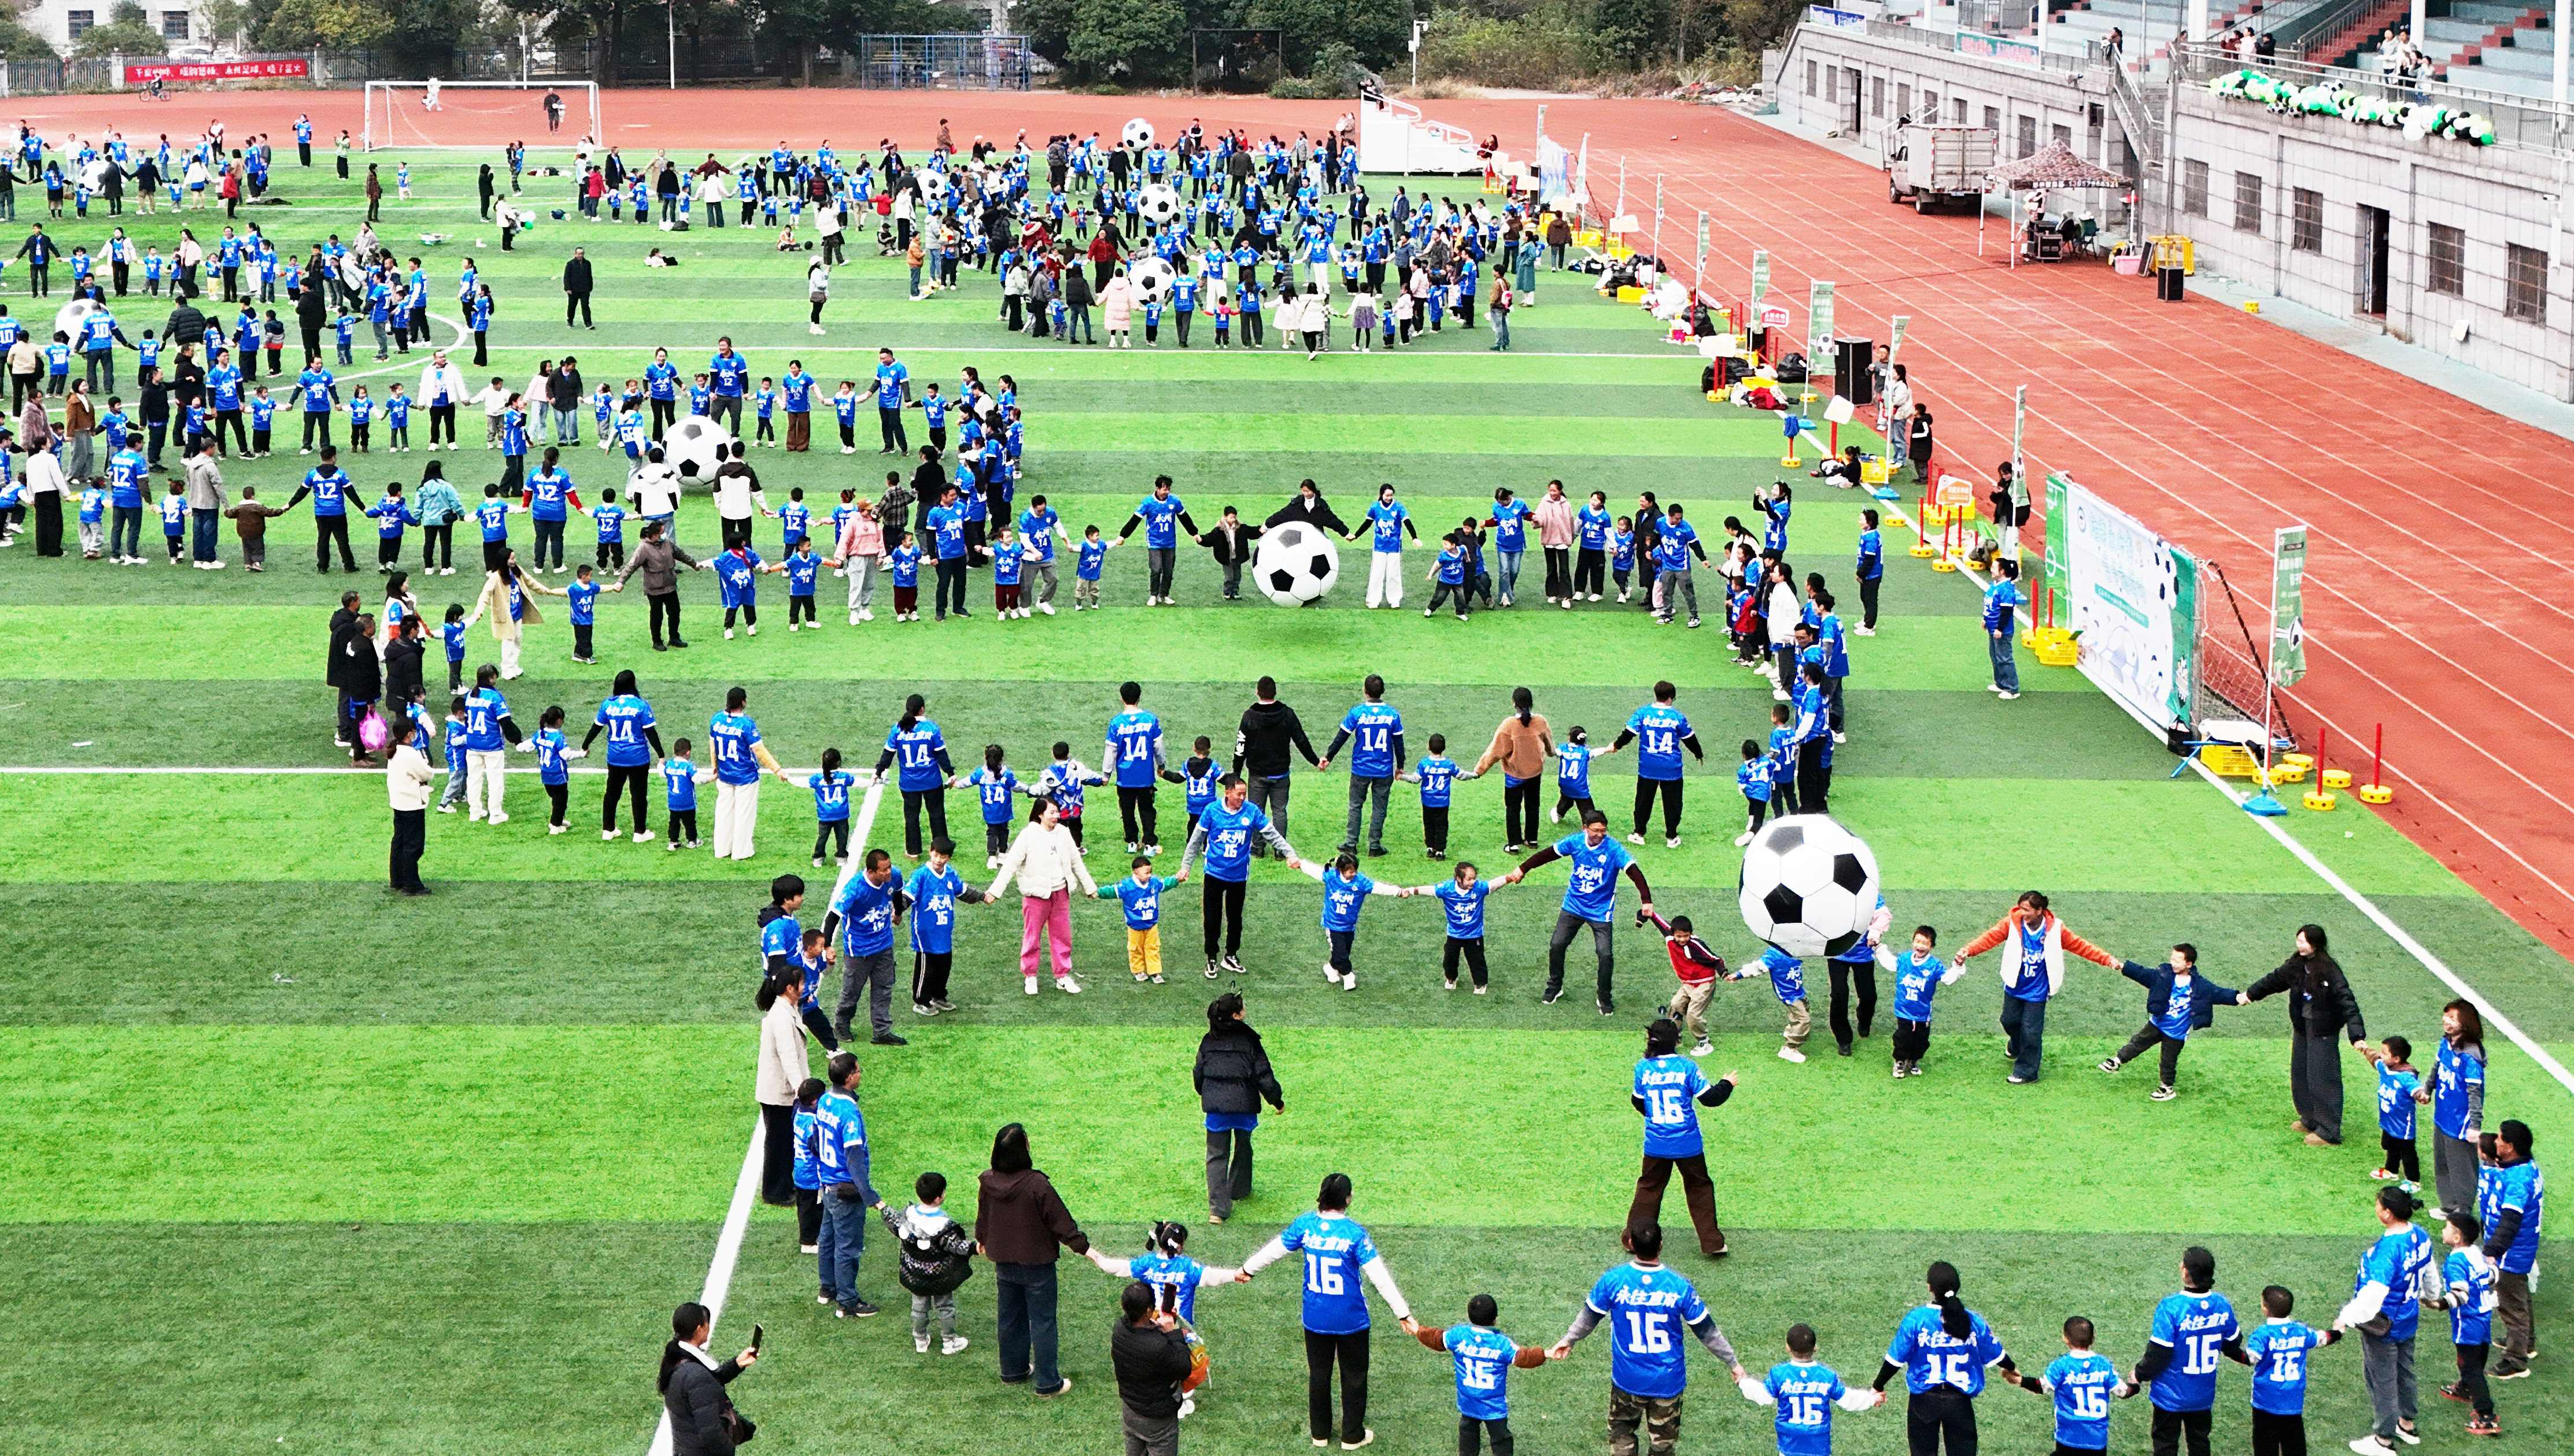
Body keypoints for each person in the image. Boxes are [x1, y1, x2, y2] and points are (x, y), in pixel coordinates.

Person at [1241, 1173, 1415, 1450]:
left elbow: (1273, 1251)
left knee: (1319, 1375)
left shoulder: (1306, 1226)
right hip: (1351, 1319)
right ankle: (1351, 1436)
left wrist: (1247, 1269)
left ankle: (1319, 1433)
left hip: (1316, 1318)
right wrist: (1403, 1313)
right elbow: (1379, 1277)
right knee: (1354, 1376)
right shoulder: (1355, 1234)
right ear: (1347, 1199)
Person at [1552, 1220, 1749, 1456]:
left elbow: (1588, 1319)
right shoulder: (1679, 1286)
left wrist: (1568, 1340)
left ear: (1631, 1243)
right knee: (1663, 1447)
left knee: (1622, 1435)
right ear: (1662, 1245)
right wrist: (1733, 1363)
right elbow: (1708, 1333)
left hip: (1628, 1380)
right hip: (1668, 1382)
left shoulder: (1613, 1280)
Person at [1949, 890, 2118, 1085]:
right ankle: (2016, 1044)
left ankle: (2027, 1071)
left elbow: (2082, 946)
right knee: (2009, 1021)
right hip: (2014, 985)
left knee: (2031, 1031)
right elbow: (1991, 937)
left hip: (2038, 991)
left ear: (2040, 911)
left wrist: (2108, 959)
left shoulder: (2056, 930)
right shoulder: (2012, 923)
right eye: (2021, 908)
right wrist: (1968, 950)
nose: (2023, 913)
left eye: (2027, 910)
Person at [977, 1123, 1090, 1398]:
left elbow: (984, 1217)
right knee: (1042, 1322)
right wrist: (1083, 1247)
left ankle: (1013, 1370)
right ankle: (1048, 1381)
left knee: (1010, 1318)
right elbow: (1060, 1222)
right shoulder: (1037, 1185)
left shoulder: (989, 1181)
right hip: (1037, 1264)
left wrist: (982, 1239)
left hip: (1004, 1262)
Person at [1507, 811, 1653, 1014]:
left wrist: (1646, 900)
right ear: (1585, 828)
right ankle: (1555, 986)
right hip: (1573, 906)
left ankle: (1604, 996)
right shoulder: (1575, 842)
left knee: (1605, 954)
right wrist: (1523, 868)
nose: (1600, 835)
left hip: (1600, 911)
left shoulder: (1613, 849)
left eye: (1603, 831)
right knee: (1557, 945)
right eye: (1595, 830)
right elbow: (1548, 854)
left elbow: (1634, 871)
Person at [1871, 1261, 2017, 1456]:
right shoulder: (1972, 1320)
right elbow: (1999, 1356)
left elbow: (1894, 1361)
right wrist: (2011, 1368)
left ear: (1930, 1288)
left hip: (1923, 1403)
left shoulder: (1917, 1319)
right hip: (1959, 1403)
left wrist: (1878, 1386)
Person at [2244, 924, 2369, 1145]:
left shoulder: (2330, 970)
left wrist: (2356, 1034)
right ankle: (2310, 1118)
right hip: (2302, 1027)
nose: (2299, 945)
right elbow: (2274, 980)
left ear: (2315, 944)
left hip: (2323, 1031)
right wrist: (2250, 994)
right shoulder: (2296, 964)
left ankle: (2329, 1130)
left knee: (2323, 1078)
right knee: (2300, 1073)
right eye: (2298, 941)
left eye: (2303, 942)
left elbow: (2347, 1002)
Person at [2335, 1187, 2434, 1455]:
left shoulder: (2388, 1250)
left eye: (2378, 1205)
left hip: (2384, 1324)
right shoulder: (2420, 1235)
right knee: (2406, 1371)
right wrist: (2432, 1297)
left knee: (2383, 1380)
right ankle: (2407, 1424)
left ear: (2388, 1214)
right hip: (2409, 1318)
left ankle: (2384, 1440)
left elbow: (2373, 1294)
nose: (2376, 1208)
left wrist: (2345, 1318)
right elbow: (2430, 1272)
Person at [1628, 1018, 1735, 1258]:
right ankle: (1712, 1243)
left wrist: (1655, 1117)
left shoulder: (1642, 1068)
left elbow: (1638, 1101)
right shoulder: (1687, 1067)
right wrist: (1727, 1084)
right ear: (1677, 1041)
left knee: (1649, 1187)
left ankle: (1633, 1239)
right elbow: (1710, 1098)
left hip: (1656, 1143)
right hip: (1688, 1144)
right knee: (1699, 1188)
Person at [1178, 774, 1304, 978]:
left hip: (1238, 875)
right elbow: (1196, 840)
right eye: (1239, 794)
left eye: (1244, 794)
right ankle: (1212, 957)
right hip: (1214, 873)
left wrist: (1290, 853)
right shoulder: (1212, 811)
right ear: (1227, 793)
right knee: (1212, 918)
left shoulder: (1252, 811)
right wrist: (1186, 866)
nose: (1242, 798)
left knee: (1235, 918)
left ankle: (1231, 955)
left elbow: (1271, 834)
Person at [2129, 1247, 2241, 1456]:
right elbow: (2233, 1342)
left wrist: (2138, 1374)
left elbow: (2159, 1353)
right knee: (2200, 1443)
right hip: (2202, 1395)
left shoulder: (2171, 1307)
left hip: (2169, 1396)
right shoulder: (2222, 1304)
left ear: (2186, 1272)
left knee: (2165, 1444)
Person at [2097, 947, 2247, 1102]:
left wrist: (2238, 998)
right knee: (2138, 1042)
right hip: (2157, 1024)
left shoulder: (2202, 987)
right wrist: (2123, 967)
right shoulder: (2163, 975)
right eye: (2172, 959)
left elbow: (2219, 993)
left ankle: (2167, 1088)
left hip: (2176, 1034)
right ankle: (2117, 1061)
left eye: (2177, 960)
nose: (2173, 963)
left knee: (2168, 1061)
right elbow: (2142, 973)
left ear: (2189, 964)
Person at [1413, 1292, 1550, 1456]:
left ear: (1469, 1316)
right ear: (1495, 1319)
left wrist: (1417, 1329)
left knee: (1468, 1436)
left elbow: (1437, 1339)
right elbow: (1524, 1358)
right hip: (1494, 1406)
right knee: (1501, 1440)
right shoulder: (1501, 1343)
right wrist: (1547, 1353)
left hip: (1468, 1401)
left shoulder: (1459, 1335)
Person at [987, 796, 1098, 997]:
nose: (1056, 816)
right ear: (1040, 814)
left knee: (1062, 937)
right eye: (1052, 813)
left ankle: (1062, 975)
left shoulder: (1064, 833)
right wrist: (995, 892)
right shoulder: (1028, 836)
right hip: (1036, 896)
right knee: (1032, 937)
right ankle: (1030, 975)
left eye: (1057, 812)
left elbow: (1076, 863)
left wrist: (1089, 887)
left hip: (1060, 894)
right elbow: (1010, 865)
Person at [1194, 991, 1283, 1224]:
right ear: (1236, 1016)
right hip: (1245, 1107)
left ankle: (1218, 1210)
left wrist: (1208, 1094)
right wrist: (1277, 1101)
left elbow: (1198, 1074)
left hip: (1216, 1110)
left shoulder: (1208, 1040)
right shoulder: (1250, 1040)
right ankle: (1239, 1190)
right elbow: (1264, 1075)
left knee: (1216, 1155)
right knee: (1244, 1148)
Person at [2230, 1285, 2339, 1456]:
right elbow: (2323, 1339)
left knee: (2265, 1447)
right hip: (2292, 1402)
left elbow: (2250, 1359)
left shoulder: (2263, 1334)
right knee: (2294, 1446)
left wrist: (2229, 1350)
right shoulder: (2301, 1331)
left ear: (2265, 1309)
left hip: (2265, 1401)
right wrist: (2338, 1332)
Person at [814, 1050, 882, 1318]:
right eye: (858, 1070)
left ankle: (827, 1288)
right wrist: (869, 1194)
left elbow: (815, 1140)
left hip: (827, 1184)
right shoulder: (849, 1113)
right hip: (845, 1188)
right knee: (848, 1247)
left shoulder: (825, 1101)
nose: (861, 1073)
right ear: (849, 1078)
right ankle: (848, 1300)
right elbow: (855, 1159)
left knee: (828, 1239)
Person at [881, 1170, 977, 1356]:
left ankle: (920, 1340)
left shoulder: (908, 1215)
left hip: (915, 1276)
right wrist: (976, 1248)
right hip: (941, 1278)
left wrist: (883, 1208)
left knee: (918, 1308)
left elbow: (892, 1221)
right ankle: (949, 1342)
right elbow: (957, 1246)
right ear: (940, 1197)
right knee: (945, 1307)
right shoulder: (944, 1224)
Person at [2479, 1119, 2541, 1381]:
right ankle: (2526, 1342)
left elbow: (2510, 1220)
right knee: (2520, 1297)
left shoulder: (2518, 1180)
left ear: (2511, 1147)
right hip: (2520, 1249)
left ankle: (2516, 1360)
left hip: (2512, 1253)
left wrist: (2493, 1249)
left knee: (2511, 1306)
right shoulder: (2525, 1167)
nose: (2496, 1141)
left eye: (2501, 1139)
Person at [658, 1301, 757, 1456]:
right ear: (699, 1329)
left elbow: (708, 1382)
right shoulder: (695, 1375)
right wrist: (728, 1451)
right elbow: (711, 1432)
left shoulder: (676, 1358)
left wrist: (737, 1364)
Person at [1112, 1278, 1197, 1456]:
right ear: (1149, 1310)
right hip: (1158, 1420)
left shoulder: (1119, 1329)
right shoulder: (1158, 1347)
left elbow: (1143, 1335)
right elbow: (1184, 1368)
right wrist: (1173, 1332)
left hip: (1130, 1411)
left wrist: (1158, 1325)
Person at [2433, 1211, 2499, 1437]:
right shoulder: (2476, 1253)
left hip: (2468, 1320)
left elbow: (2460, 1295)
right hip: (2484, 1316)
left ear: (2457, 1236)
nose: (2443, 1231)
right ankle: (2463, 1388)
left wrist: (2439, 1304)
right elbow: (2493, 1277)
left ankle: (2486, 1417)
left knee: (2471, 1366)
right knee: (2478, 1358)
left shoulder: (2456, 1260)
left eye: (2447, 1228)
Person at [1235, 676, 1319, 848]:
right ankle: (1280, 849)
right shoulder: (1287, 714)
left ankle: (1258, 847)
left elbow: (1240, 746)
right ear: (1275, 692)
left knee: (1257, 811)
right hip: (1281, 773)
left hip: (1258, 774)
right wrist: (1315, 761)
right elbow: (1301, 740)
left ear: (1257, 692)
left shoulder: (1250, 716)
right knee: (1280, 811)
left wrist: (1236, 773)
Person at [755, 962, 813, 1206]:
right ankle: (775, 1191)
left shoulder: (786, 1010)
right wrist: (803, 1091)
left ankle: (783, 1186)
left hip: (781, 1091)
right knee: (779, 1143)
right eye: (801, 983)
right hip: (780, 1093)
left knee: (784, 1141)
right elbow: (788, 1057)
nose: (804, 987)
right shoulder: (781, 1017)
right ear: (790, 988)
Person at [2421, 1000, 2486, 1218]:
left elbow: (2475, 1094)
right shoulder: (2446, 1043)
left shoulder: (2470, 1057)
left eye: (2453, 1018)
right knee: (2442, 1163)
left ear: (2466, 1024)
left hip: (2461, 1123)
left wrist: (2475, 1126)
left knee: (2462, 1170)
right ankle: (2449, 1206)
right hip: (2443, 1115)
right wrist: (2428, 1089)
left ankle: (2464, 1213)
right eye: (2446, 1016)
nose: (2447, 1021)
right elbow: (2437, 1067)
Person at [386, 713, 433, 894]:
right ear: (409, 734)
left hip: (398, 802)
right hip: (411, 804)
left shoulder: (394, 751)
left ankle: (397, 879)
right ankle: (411, 883)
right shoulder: (410, 754)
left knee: (399, 841)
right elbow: (427, 773)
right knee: (413, 845)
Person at [562, 246, 594, 329]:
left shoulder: (587, 263)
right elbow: (566, 277)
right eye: (579, 254)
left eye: (582, 254)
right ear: (575, 254)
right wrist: (568, 289)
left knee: (586, 307)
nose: (580, 255)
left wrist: (590, 288)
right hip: (573, 290)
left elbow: (589, 276)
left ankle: (588, 324)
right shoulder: (570, 264)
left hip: (584, 290)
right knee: (572, 307)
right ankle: (570, 321)